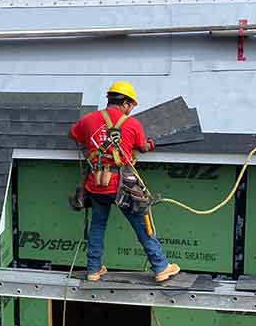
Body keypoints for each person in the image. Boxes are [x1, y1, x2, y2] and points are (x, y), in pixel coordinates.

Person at [69, 81, 181, 283]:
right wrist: (150, 144)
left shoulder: (87, 120)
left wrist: (97, 139)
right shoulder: (132, 124)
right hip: (122, 185)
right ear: (126, 103)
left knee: (97, 225)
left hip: (96, 184)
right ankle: (161, 267)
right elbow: (143, 147)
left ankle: (93, 270)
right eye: (132, 106)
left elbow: (74, 135)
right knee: (141, 224)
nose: (131, 110)